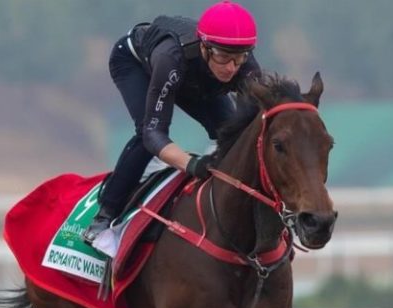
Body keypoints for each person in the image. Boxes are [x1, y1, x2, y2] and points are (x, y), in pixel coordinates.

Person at [83, 1, 262, 244]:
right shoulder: (172, 57)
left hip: (195, 78)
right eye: (223, 56)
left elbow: (253, 130)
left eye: (239, 58)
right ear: (205, 47)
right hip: (137, 64)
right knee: (144, 133)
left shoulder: (246, 67)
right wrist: (192, 165)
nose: (231, 68)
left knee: (236, 135)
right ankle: (105, 215)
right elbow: (154, 134)